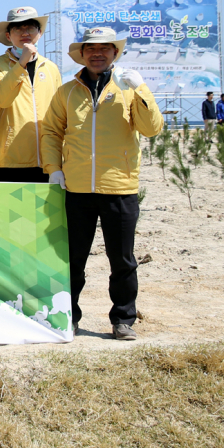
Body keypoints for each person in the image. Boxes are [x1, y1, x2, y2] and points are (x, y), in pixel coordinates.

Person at [41, 26, 163, 341]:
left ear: (115, 53)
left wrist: (142, 89)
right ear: (82, 54)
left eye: (105, 49)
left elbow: (151, 129)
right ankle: (68, 316)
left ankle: (123, 319)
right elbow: (52, 132)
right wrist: (54, 168)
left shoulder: (129, 89)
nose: (97, 54)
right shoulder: (67, 91)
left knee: (122, 260)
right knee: (72, 260)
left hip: (120, 189)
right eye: (91, 49)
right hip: (76, 190)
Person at [0, 7, 62, 183]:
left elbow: (60, 112)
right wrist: (21, 64)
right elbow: (0, 99)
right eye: (18, 28)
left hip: (49, 159)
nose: (25, 33)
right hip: (12, 160)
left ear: (40, 33)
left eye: (30, 28)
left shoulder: (51, 68)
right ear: (8, 36)